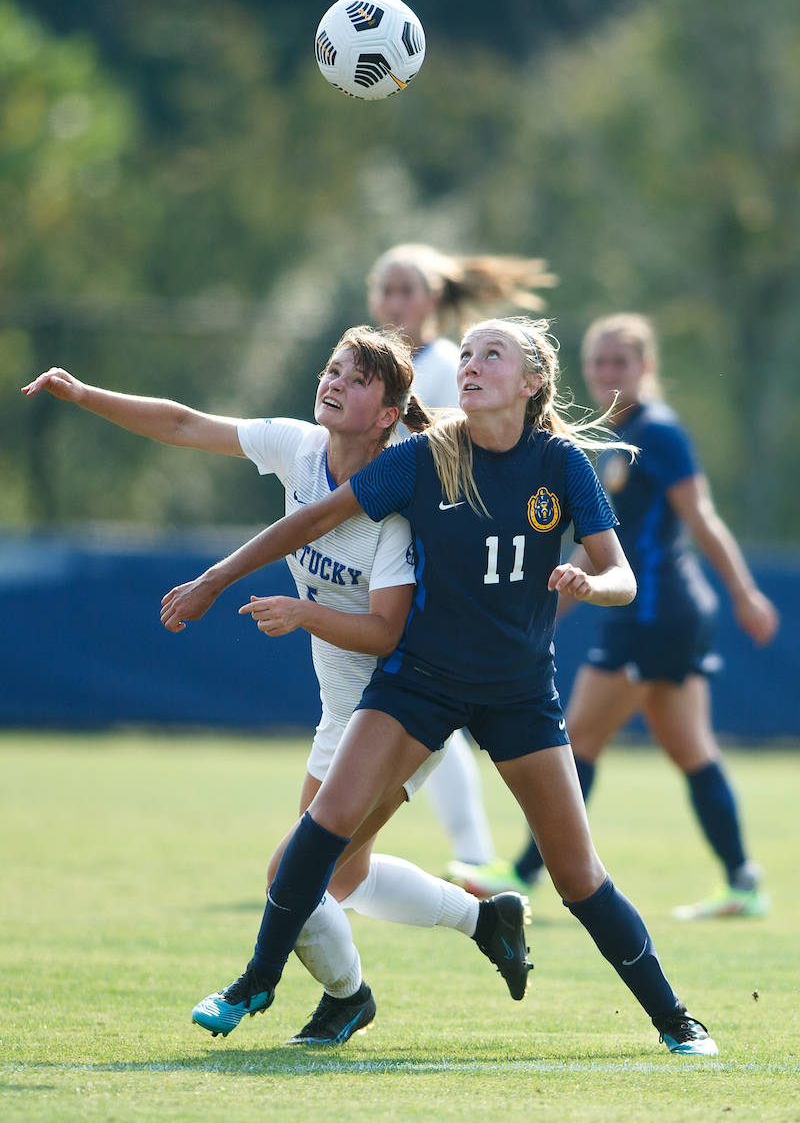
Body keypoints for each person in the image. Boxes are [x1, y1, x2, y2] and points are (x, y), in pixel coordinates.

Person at [165, 316, 719, 1056]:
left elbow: (622, 574)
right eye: (465, 354)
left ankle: (677, 1021)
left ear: (531, 383)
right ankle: (255, 982)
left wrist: (593, 583)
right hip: (420, 683)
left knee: (577, 875)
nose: (470, 364)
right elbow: (310, 521)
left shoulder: (560, 463)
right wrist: (214, 579)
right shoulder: (426, 456)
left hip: (520, 694)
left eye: (492, 354)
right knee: (325, 824)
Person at [22, 326, 532, 1046]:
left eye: (356, 379)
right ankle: (486, 920)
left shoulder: (397, 500)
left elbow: (388, 634)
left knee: (293, 874)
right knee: (344, 879)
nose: (334, 382)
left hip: (403, 711)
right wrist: (83, 394)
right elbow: (183, 424)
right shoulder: (299, 448)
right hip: (341, 713)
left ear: (388, 415)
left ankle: (346, 999)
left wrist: (303, 613)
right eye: (332, 369)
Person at [456, 313, 778, 919]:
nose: (607, 373)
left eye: (620, 362)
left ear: (646, 367)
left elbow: (702, 517)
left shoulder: (658, 431)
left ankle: (522, 874)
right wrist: (540, 615)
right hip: (663, 616)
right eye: (598, 362)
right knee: (690, 748)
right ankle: (744, 883)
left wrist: (744, 592)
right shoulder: (613, 438)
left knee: (577, 738)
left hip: (655, 613)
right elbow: (598, 547)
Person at [367, 242, 557, 872]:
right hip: (377, 544)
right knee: (401, 711)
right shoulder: (375, 367)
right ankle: (337, 849)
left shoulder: (449, 364)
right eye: (385, 289)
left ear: (433, 299)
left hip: (429, 556)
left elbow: (463, 459)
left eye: (405, 290)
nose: (393, 302)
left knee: (417, 705)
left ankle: (348, 851)